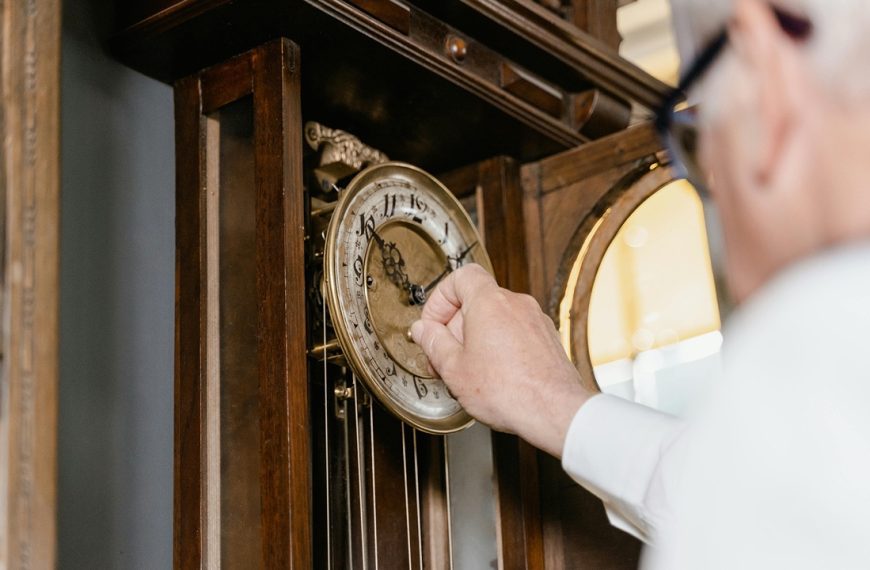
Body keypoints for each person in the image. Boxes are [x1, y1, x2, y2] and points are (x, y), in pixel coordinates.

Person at [410, 0, 870, 567]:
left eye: (698, 136)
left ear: (764, 64)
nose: (713, 186)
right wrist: (556, 405)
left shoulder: (807, 351)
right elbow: (742, 492)